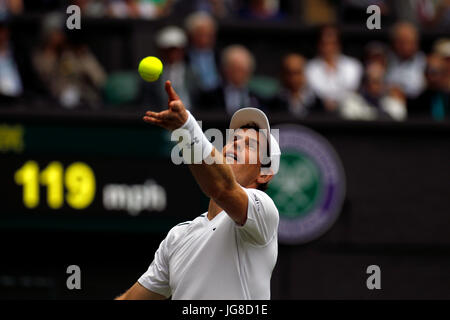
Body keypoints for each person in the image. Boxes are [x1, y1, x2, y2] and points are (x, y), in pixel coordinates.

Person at [116, 80, 281, 300]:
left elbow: (222, 187)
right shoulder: (177, 237)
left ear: (263, 174)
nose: (236, 145)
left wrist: (186, 129)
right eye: (233, 139)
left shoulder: (263, 211)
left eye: (250, 145)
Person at [305, 25, 363, 113]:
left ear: (338, 44)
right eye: (324, 43)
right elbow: (315, 91)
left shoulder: (353, 66)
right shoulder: (309, 68)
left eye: (332, 43)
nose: (328, 48)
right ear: (318, 45)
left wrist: (337, 101)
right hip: (318, 111)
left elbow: (351, 89)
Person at [198, 44, 261, 115]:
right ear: (226, 70)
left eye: (244, 70)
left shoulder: (258, 100)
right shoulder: (209, 98)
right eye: (236, 70)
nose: (240, 75)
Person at [267, 53, 318, 118]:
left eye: (297, 73)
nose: (293, 78)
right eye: (289, 73)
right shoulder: (272, 105)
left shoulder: (318, 104)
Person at [385, 22, 426, 99]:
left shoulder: (425, 62)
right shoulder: (384, 60)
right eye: (402, 42)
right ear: (394, 42)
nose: (406, 47)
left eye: (410, 42)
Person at [184, 11, 221, 92]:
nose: (205, 40)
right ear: (190, 35)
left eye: (209, 35)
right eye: (201, 35)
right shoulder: (183, 56)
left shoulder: (220, 57)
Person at [409, 53, 449, 120]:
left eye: (441, 71)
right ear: (425, 74)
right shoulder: (414, 102)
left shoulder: (447, 98)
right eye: (430, 72)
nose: (433, 77)